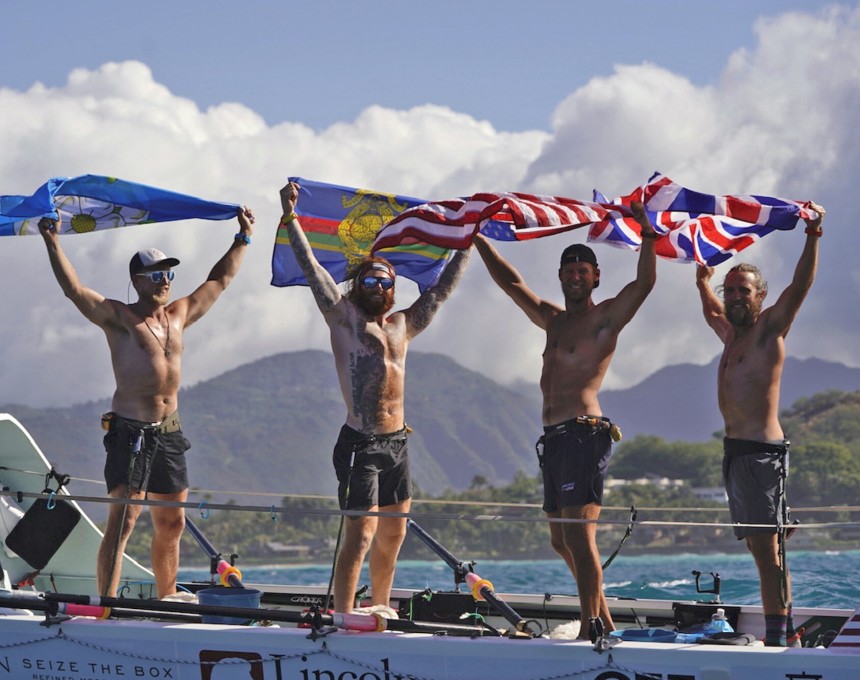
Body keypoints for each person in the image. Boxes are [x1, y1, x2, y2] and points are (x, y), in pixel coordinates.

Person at [38, 206, 255, 598]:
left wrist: (242, 237)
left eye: (169, 273)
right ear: (137, 280)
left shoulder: (179, 314)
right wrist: (52, 241)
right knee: (123, 523)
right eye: (156, 275)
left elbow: (219, 281)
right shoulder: (120, 319)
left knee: (171, 522)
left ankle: (167, 596)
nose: (164, 281)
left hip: (169, 433)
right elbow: (74, 291)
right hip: (130, 434)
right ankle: (106, 605)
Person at [279, 181, 470, 613]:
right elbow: (314, 273)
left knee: (393, 532)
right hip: (361, 443)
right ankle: (344, 614)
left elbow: (440, 291)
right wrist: (291, 217)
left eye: (384, 281)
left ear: (392, 288)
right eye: (369, 279)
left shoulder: (403, 325)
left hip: (397, 442)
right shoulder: (344, 319)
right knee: (360, 533)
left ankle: (380, 606)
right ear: (358, 284)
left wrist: (467, 240)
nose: (377, 286)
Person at [473, 202, 656, 640]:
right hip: (552, 440)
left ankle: (593, 628)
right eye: (568, 271)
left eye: (583, 271)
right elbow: (512, 283)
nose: (575, 276)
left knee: (579, 535)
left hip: (583, 434)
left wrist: (648, 234)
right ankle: (604, 619)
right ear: (560, 277)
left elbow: (645, 283)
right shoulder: (553, 321)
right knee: (561, 540)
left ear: (595, 277)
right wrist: (477, 238)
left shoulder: (605, 318)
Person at [695, 202, 824, 647]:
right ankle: (780, 628)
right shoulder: (730, 334)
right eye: (729, 290)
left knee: (769, 555)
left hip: (763, 455)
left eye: (742, 291)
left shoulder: (770, 330)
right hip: (734, 455)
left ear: (760, 296)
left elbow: (801, 285)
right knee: (756, 548)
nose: (733, 297)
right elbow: (712, 312)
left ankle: (779, 639)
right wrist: (701, 284)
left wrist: (813, 237)